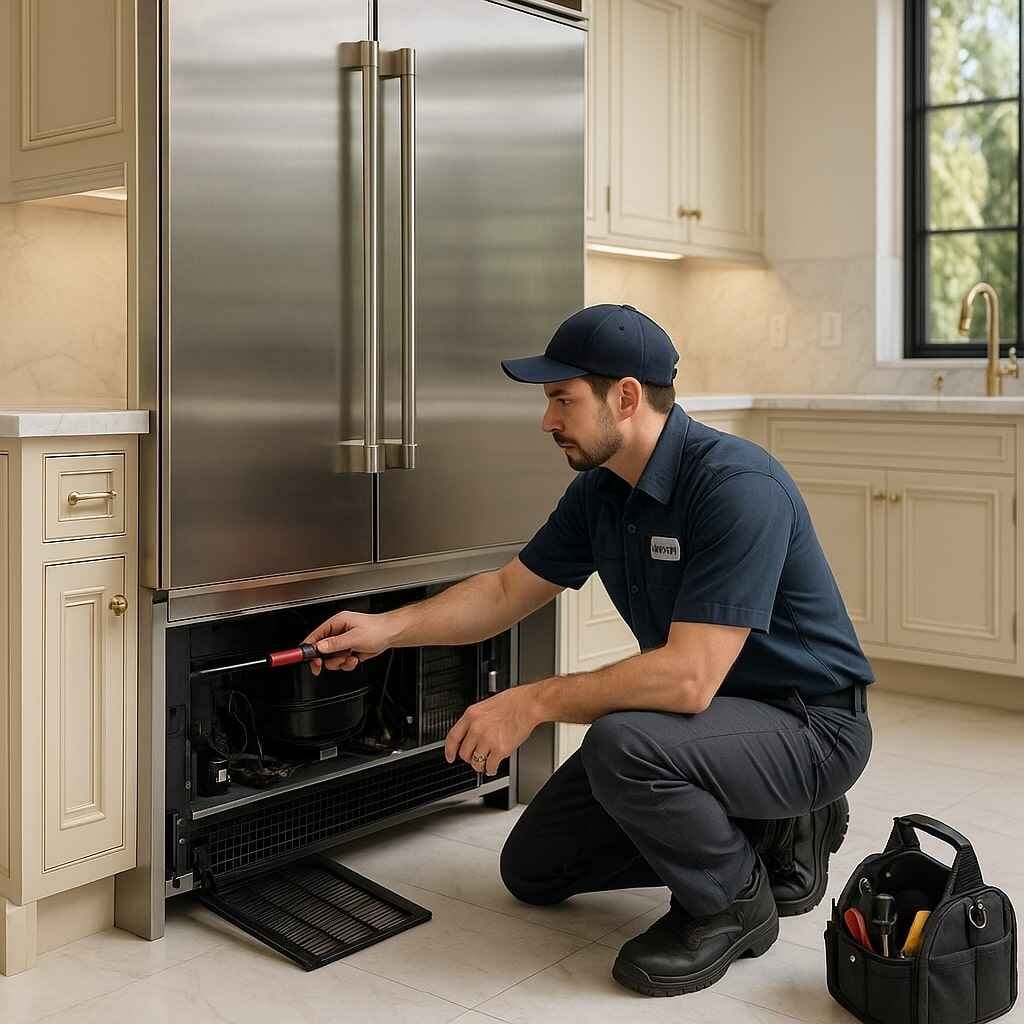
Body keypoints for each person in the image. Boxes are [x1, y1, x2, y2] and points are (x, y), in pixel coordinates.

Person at [304, 303, 874, 997]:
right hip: (714, 722)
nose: (547, 421)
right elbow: (507, 590)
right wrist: (385, 630)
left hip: (808, 725)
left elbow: (690, 679)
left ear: (625, 397)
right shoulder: (602, 493)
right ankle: (764, 830)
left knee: (623, 744)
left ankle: (732, 903)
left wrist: (532, 701)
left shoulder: (735, 487)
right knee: (534, 872)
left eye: (561, 400)